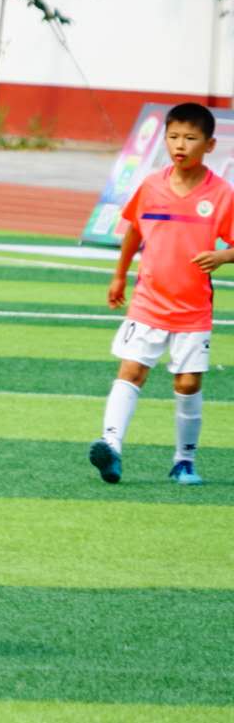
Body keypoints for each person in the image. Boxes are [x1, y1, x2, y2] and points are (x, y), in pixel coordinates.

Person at [89, 102, 232, 487]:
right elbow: (134, 231)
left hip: (192, 309)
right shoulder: (151, 186)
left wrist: (223, 255)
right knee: (131, 371)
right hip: (148, 302)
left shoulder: (222, 194)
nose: (179, 145)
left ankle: (184, 460)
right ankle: (111, 446)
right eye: (173, 137)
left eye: (190, 138)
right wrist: (119, 276)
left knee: (188, 384)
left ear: (209, 145)